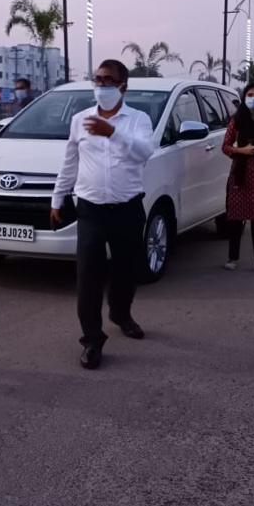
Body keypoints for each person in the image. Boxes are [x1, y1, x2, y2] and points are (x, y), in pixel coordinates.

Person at [50, 59, 154, 370]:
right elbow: (70, 161)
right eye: (98, 79)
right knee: (88, 275)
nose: (102, 85)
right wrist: (57, 198)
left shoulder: (138, 120)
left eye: (108, 80)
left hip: (127, 207)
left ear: (123, 85)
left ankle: (121, 313)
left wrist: (113, 133)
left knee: (126, 270)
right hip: (91, 209)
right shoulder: (80, 120)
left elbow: (144, 153)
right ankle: (92, 339)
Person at [222, 82, 254, 273]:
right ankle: (232, 258)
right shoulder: (236, 120)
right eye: (250, 95)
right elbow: (225, 146)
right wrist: (241, 150)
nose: (253, 98)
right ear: (244, 97)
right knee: (236, 218)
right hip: (240, 174)